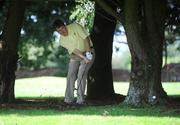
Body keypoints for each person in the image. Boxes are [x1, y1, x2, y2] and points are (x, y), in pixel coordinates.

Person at [53, 19, 95, 105]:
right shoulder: (62, 40)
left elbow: (85, 38)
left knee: (81, 74)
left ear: (65, 25)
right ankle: (68, 99)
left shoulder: (75, 26)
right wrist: (84, 57)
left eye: (62, 29)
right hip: (75, 55)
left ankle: (80, 100)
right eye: (58, 31)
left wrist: (87, 54)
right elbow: (75, 50)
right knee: (70, 75)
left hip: (89, 50)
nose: (61, 32)